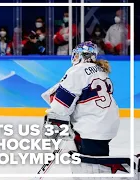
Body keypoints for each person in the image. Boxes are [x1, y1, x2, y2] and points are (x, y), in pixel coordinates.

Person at [41, 41, 139, 176]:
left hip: (92, 126)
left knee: (91, 168)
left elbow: (61, 107)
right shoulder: (101, 70)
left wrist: (55, 123)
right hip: (105, 123)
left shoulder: (76, 71)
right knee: (90, 160)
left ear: (80, 55)